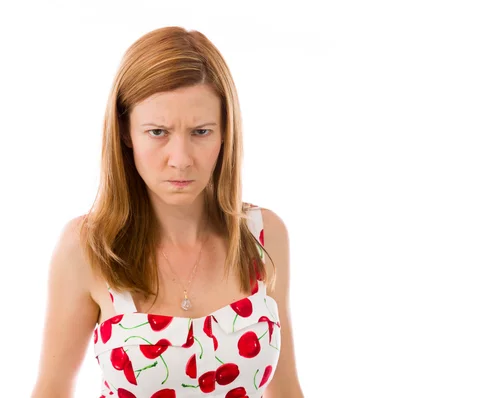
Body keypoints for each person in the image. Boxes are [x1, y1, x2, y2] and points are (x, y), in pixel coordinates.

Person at [31, 26, 304, 398]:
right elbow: (51, 391)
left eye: (201, 132)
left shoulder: (263, 236)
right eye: (158, 132)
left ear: (226, 132)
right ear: (126, 132)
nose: (181, 160)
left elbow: (285, 391)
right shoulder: (89, 247)